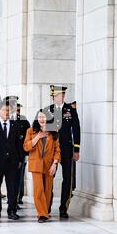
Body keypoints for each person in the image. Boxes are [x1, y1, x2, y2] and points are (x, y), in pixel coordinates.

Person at [45, 85, 81, 219]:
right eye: (53, 95)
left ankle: (63, 208)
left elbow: (76, 129)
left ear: (63, 96)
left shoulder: (70, 110)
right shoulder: (48, 110)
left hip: (67, 149)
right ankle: (47, 206)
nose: (54, 97)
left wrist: (76, 149)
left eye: (57, 95)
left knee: (67, 179)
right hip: (51, 150)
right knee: (49, 178)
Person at [23, 109, 60, 223]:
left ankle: (45, 212)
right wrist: (37, 137)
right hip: (36, 165)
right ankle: (42, 214)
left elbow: (57, 150)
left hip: (49, 165)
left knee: (47, 190)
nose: (41, 119)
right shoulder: (30, 131)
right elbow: (26, 147)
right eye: (39, 117)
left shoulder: (53, 132)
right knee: (38, 190)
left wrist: (55, 164)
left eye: (44, 117)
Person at [0, 100, 24, 220]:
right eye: (4, 110)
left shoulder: (15, 125)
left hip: (12, 162)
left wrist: (20, 159)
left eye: (8, 110)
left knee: (12, 187)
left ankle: (12, 210)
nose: (7, 112)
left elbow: (19, 144)